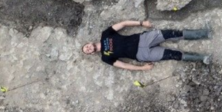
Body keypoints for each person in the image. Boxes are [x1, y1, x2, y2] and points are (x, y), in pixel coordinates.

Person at [81, 20, 211, 71]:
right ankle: (203, 58)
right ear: (91, 53)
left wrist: (142, 23)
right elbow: (124, 65)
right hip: (142, 55)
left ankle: (205, 33)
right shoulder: (105, 58)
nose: (88, 48)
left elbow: (123, 24)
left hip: (143, 39)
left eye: (86, 46)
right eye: (87, 51)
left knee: (172, 33)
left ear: (89, 43)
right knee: (173, 55)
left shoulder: (105, 34)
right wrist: (142, 68)